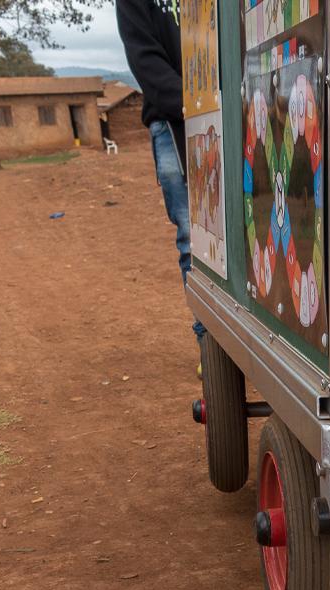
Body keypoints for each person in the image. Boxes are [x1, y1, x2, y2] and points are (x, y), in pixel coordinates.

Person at [116, 0, 206, 345]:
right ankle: (209, 349)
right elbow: (145, 60)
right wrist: (203, 104)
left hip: (234, 112)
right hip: (174, 123)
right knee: (193, 237)